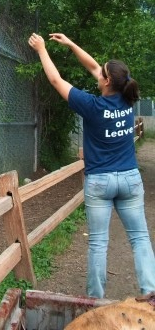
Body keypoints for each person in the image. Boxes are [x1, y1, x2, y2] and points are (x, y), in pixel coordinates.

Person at [28, 32, 155, 299]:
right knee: (140, 238)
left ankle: (95, 301)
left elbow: (55, 80)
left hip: (99, 181)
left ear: (107, 81)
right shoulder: (128, 97)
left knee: (98, 244)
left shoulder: (92, 105)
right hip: (130, 179)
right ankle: (151, 294)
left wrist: (41, 49)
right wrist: (72, 44)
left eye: (102, 73)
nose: (98, 72)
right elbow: (94, 67)